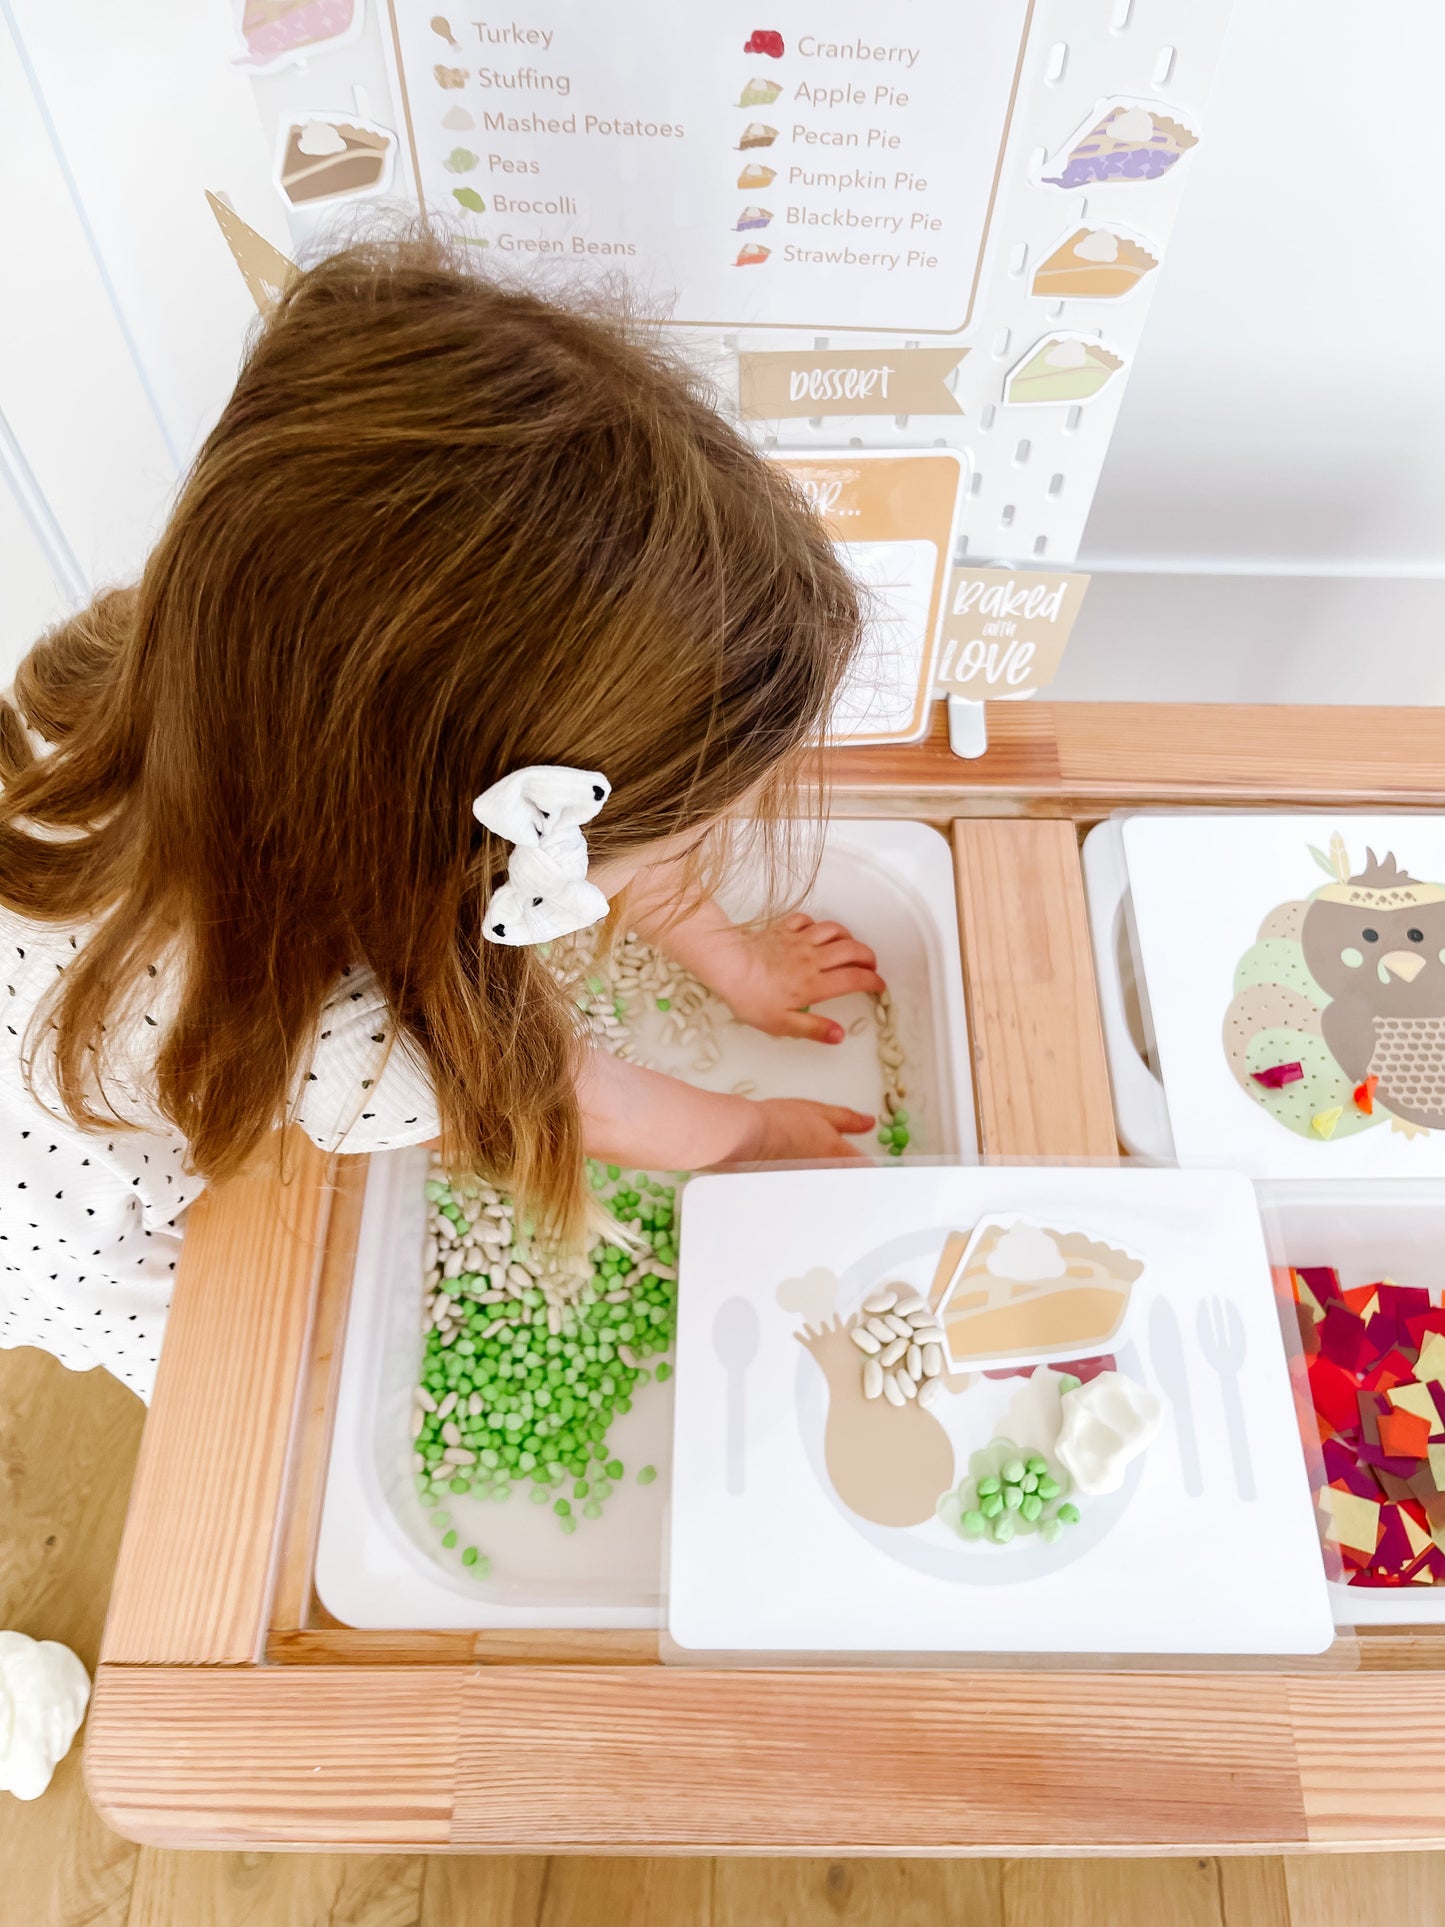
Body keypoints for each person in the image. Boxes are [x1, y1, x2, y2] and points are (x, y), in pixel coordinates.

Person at [0, 235, 884, 1402]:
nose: (684, 859)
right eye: (676, 840)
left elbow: (583, 811)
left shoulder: (196, 647)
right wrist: (748, 1135)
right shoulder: (360, 1037)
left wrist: (724, 952)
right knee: (228, 1385)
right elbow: (569, 1097)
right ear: (494, 855)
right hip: (59, 1216)